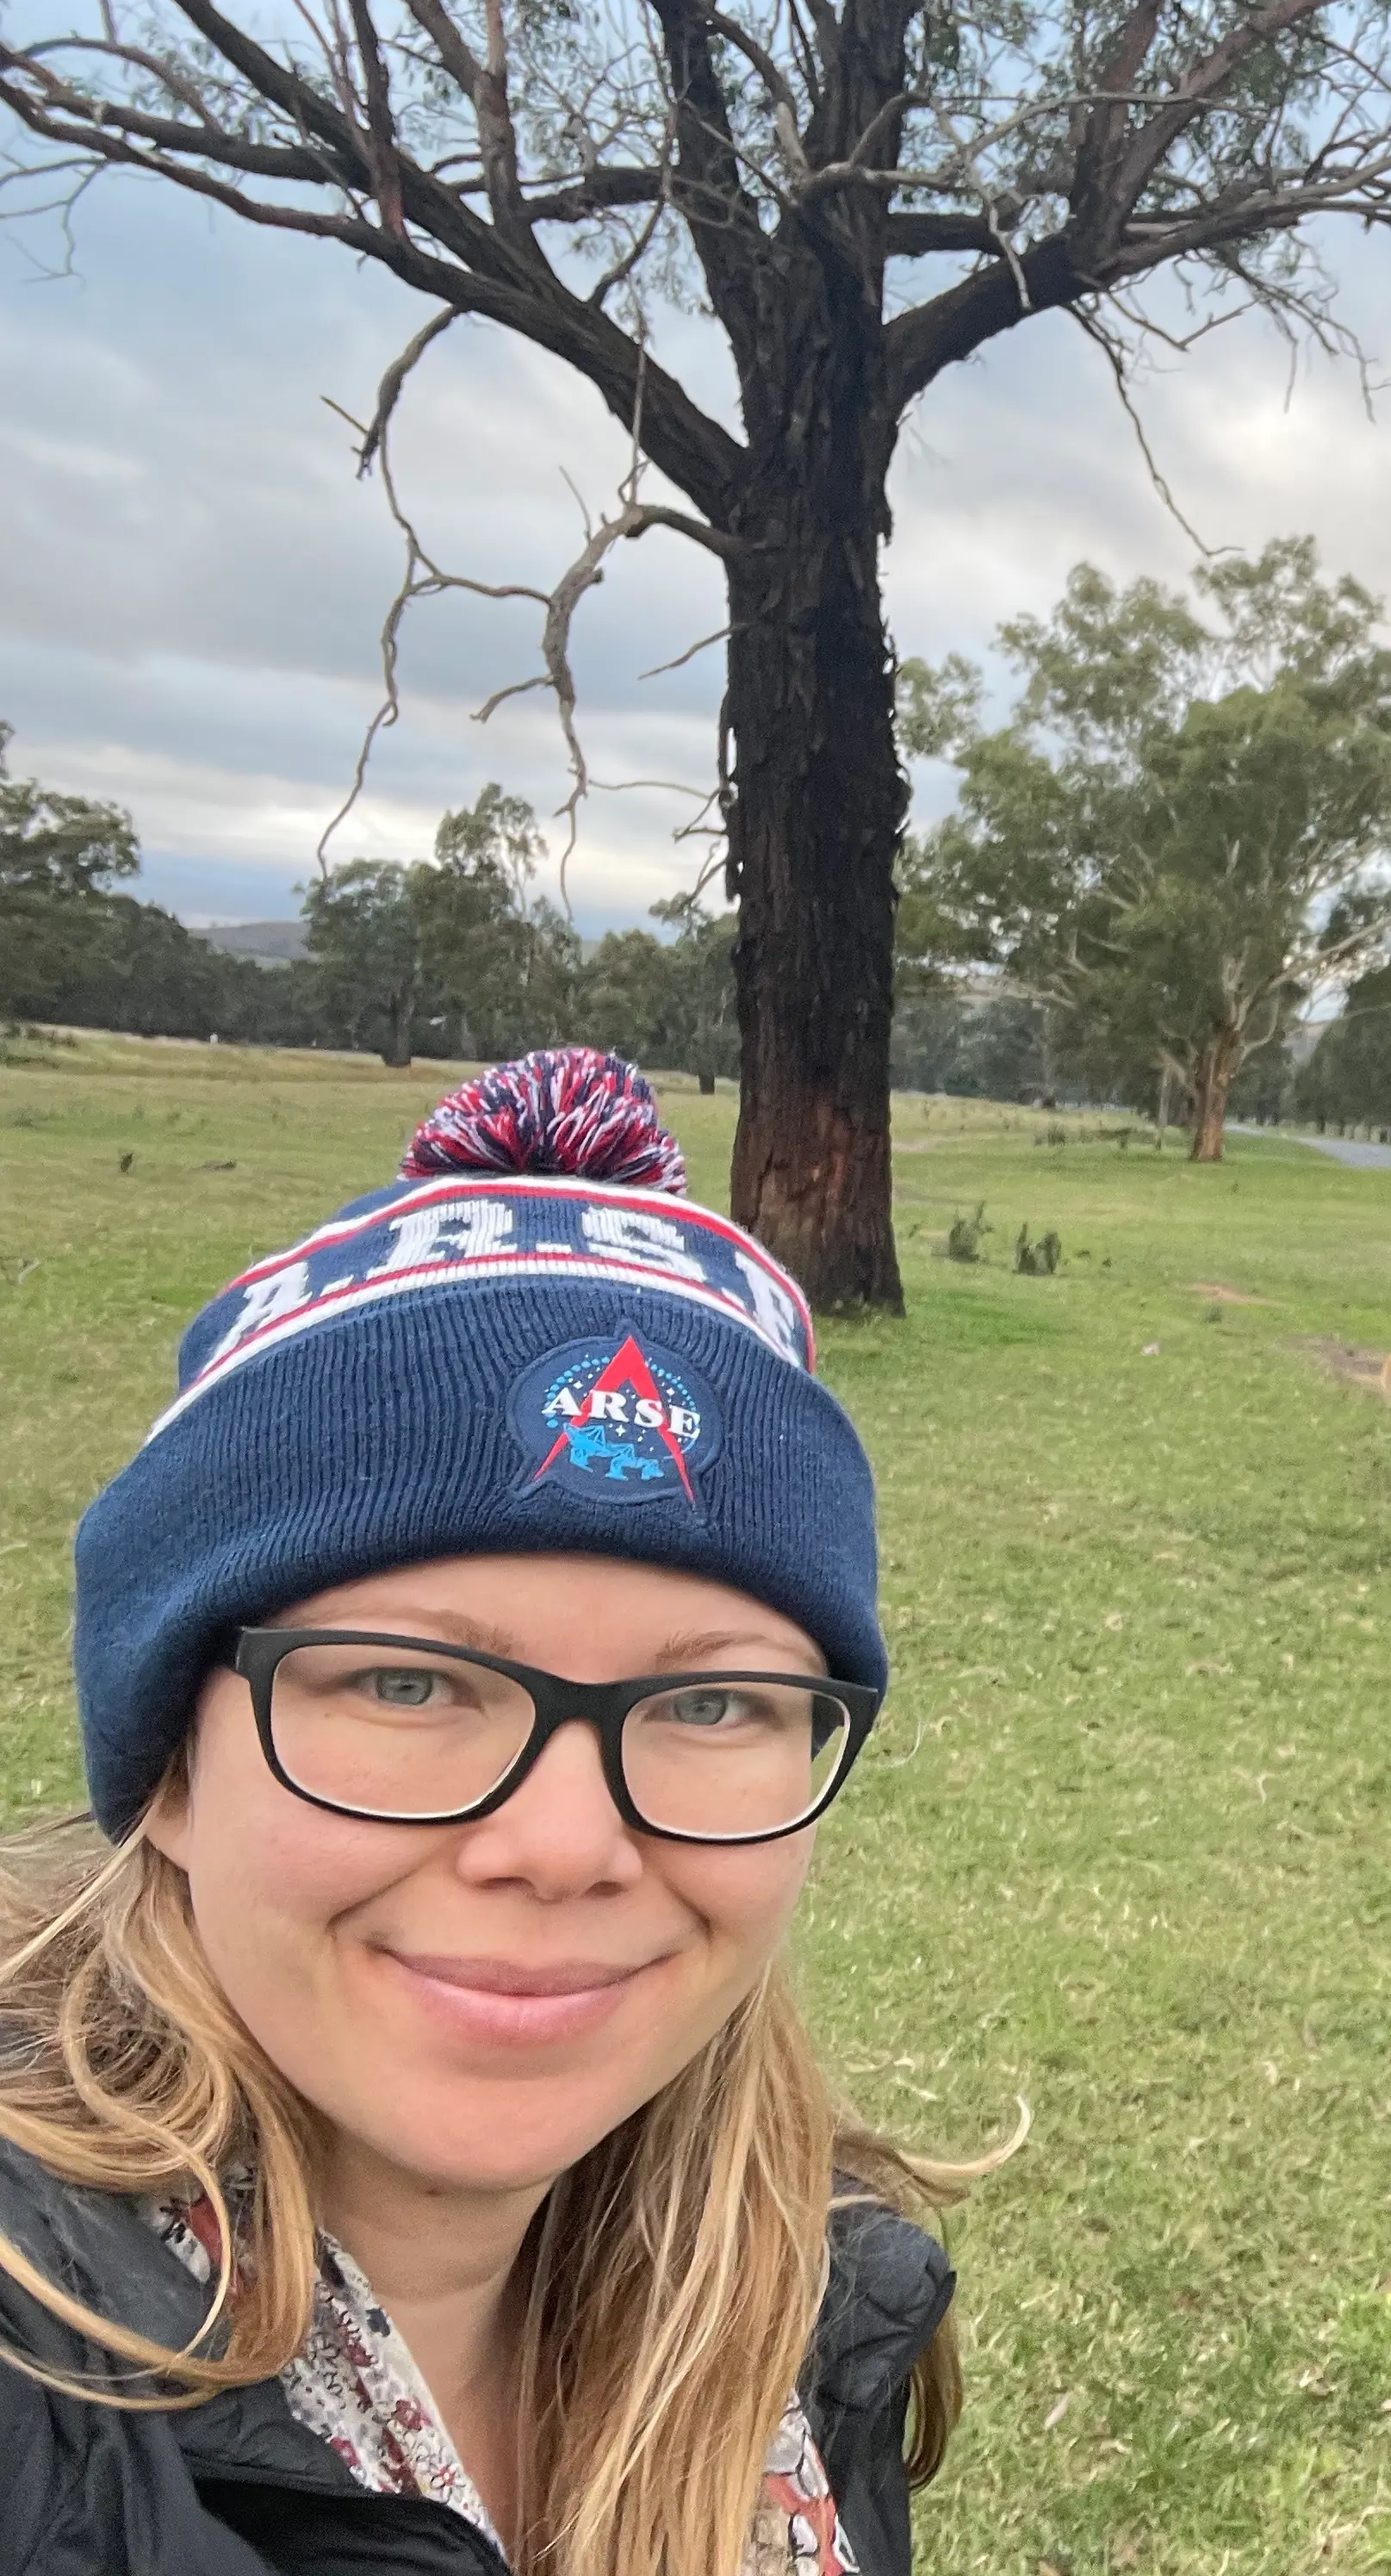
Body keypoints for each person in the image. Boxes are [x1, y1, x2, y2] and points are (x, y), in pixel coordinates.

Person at [0, 1048, 978, 2573]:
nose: (563, 1849)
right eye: (405, 1686)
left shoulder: (803, 2285)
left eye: (712, 1703)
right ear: (173, 1768)